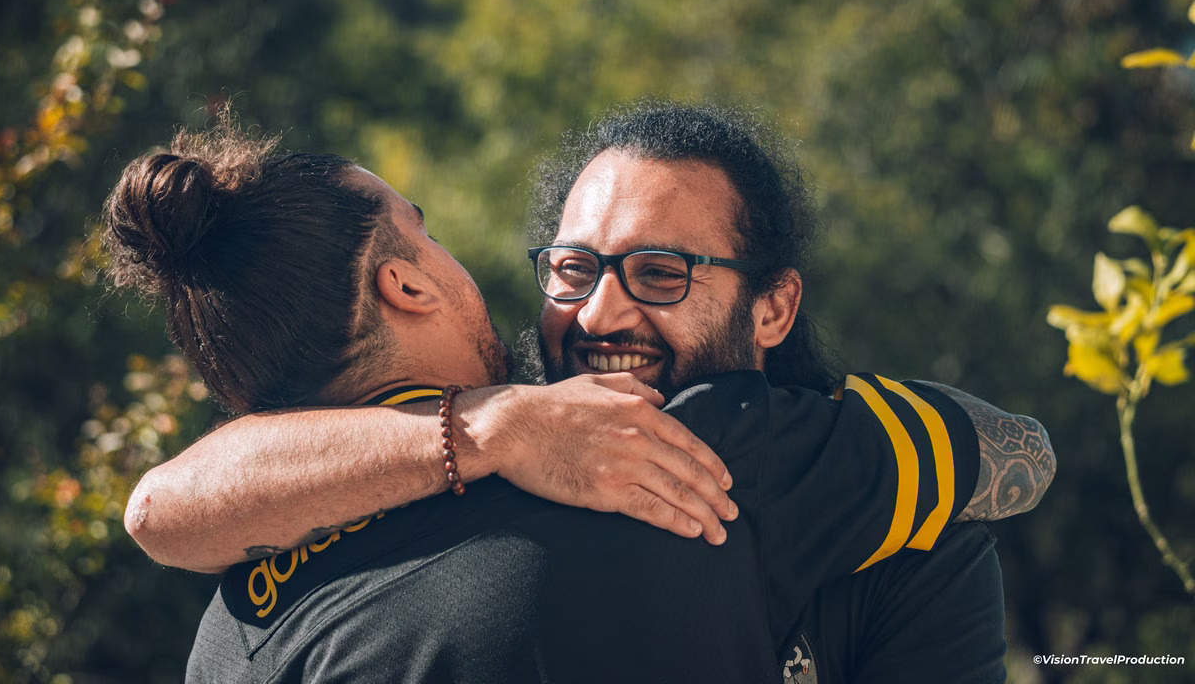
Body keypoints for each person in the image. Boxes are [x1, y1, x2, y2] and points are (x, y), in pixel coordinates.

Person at [109, 102, 1052, 681]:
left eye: (661, 273)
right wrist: (494, 425)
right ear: (405, 284)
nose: (599, 313)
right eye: (571, 269)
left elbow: (158, 510)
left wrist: (495, 425)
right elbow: (1018, 455)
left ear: (774, 307)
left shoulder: (230, 627)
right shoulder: (677, 450)